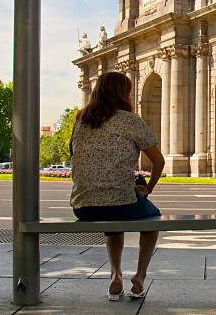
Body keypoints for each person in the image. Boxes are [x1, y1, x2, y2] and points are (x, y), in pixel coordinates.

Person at [69, 71, 165, 301]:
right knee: (152, 222)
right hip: (122, 202)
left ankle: (115, 276)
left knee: (112, 219)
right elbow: (159, 161)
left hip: (83, 207)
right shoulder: (130, 121)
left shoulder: (80, 121)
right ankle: (140, 276)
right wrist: (148, 188)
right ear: (124, 93)